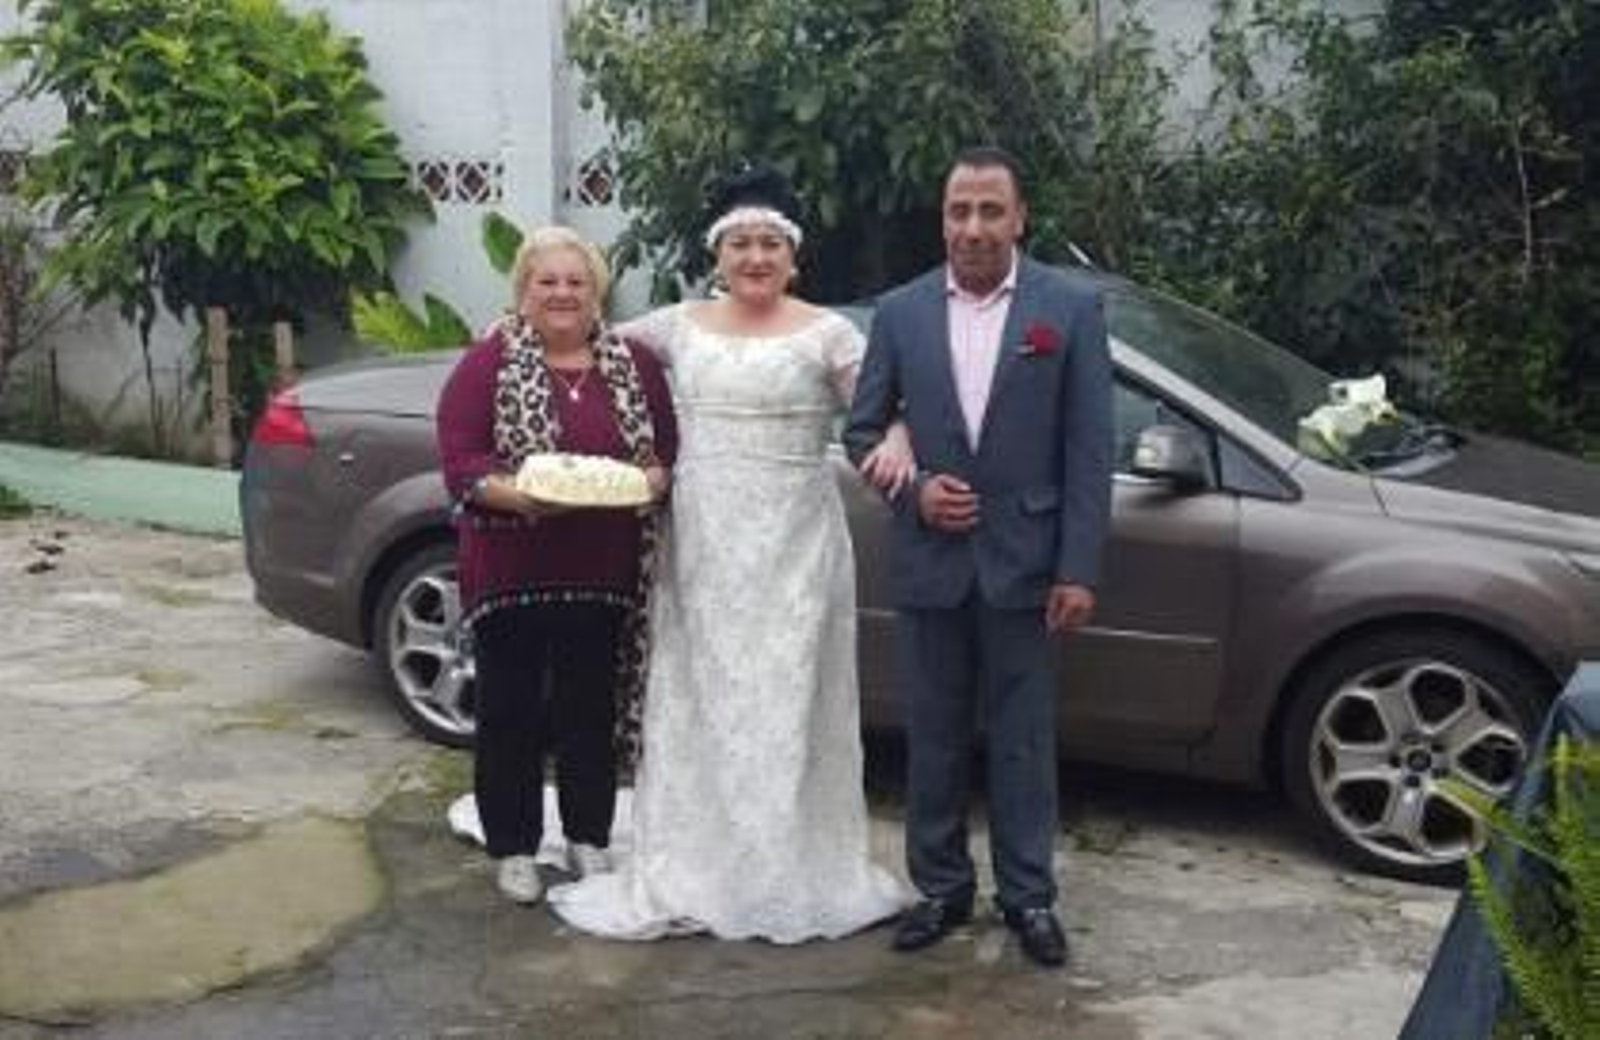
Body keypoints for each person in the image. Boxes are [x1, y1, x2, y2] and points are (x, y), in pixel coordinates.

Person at [547, 162, 911, 943]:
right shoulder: (678, 326)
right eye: (740, 243)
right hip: (705, 542)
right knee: (702, 698)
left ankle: (784, 869)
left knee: (785, 700)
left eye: (769, 244)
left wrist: (901, 441)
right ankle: (695, 864)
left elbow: (877, 411)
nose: (755, 258)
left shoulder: (829, 334)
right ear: (718, 253)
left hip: (795, 545)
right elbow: (582, 342)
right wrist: (512, 336)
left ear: (792, 255)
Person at [843, 146, 1114, 968]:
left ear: (1020, 217)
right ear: (943, 218)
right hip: (930, 561)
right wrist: (913, 488)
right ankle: (940, 888)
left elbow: (1088, 451)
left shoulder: (1067, 311)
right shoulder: (900, 311)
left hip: (1027, 566)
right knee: (934, 737)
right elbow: (861, 429)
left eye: (990, 210)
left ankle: (1028, 898)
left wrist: (1078, 568)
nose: (973, 227)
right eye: (959, 211)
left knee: (1024, 742)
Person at [435, 226, 677, 905]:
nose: (563, 293)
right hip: (512, 566)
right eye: (548, 281)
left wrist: (651, 482)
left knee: (588, 709)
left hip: (603, 572)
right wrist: (520, 496)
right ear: (523, 292)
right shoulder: (487, 364)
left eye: (577, 282)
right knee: (509, 710)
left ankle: (587, 836)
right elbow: (461, 461)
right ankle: (512, 845)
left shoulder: (635, 365)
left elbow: (663, 454)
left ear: (597, 293)